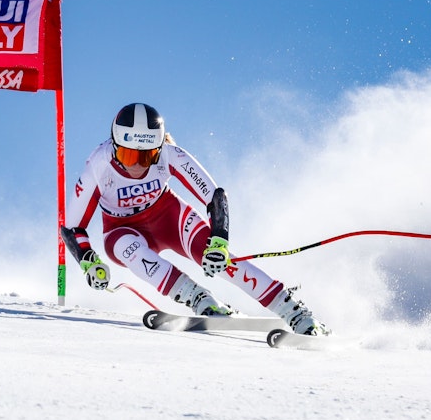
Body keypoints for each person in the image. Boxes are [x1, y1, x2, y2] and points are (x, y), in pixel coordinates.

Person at [61, 102, 329, 336]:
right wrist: (88, 261)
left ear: (158, 148)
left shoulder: (170, 154)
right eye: (128, 154)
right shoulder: (99, 164)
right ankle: (200, 299)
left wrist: (219, 239)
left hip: (168, 216)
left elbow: (214, 196)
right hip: (121, 229)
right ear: (114, 145)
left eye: (146, 157)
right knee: (131, 251)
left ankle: (294, 312)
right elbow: (72, 226)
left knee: (218, 259)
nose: (136, 166)